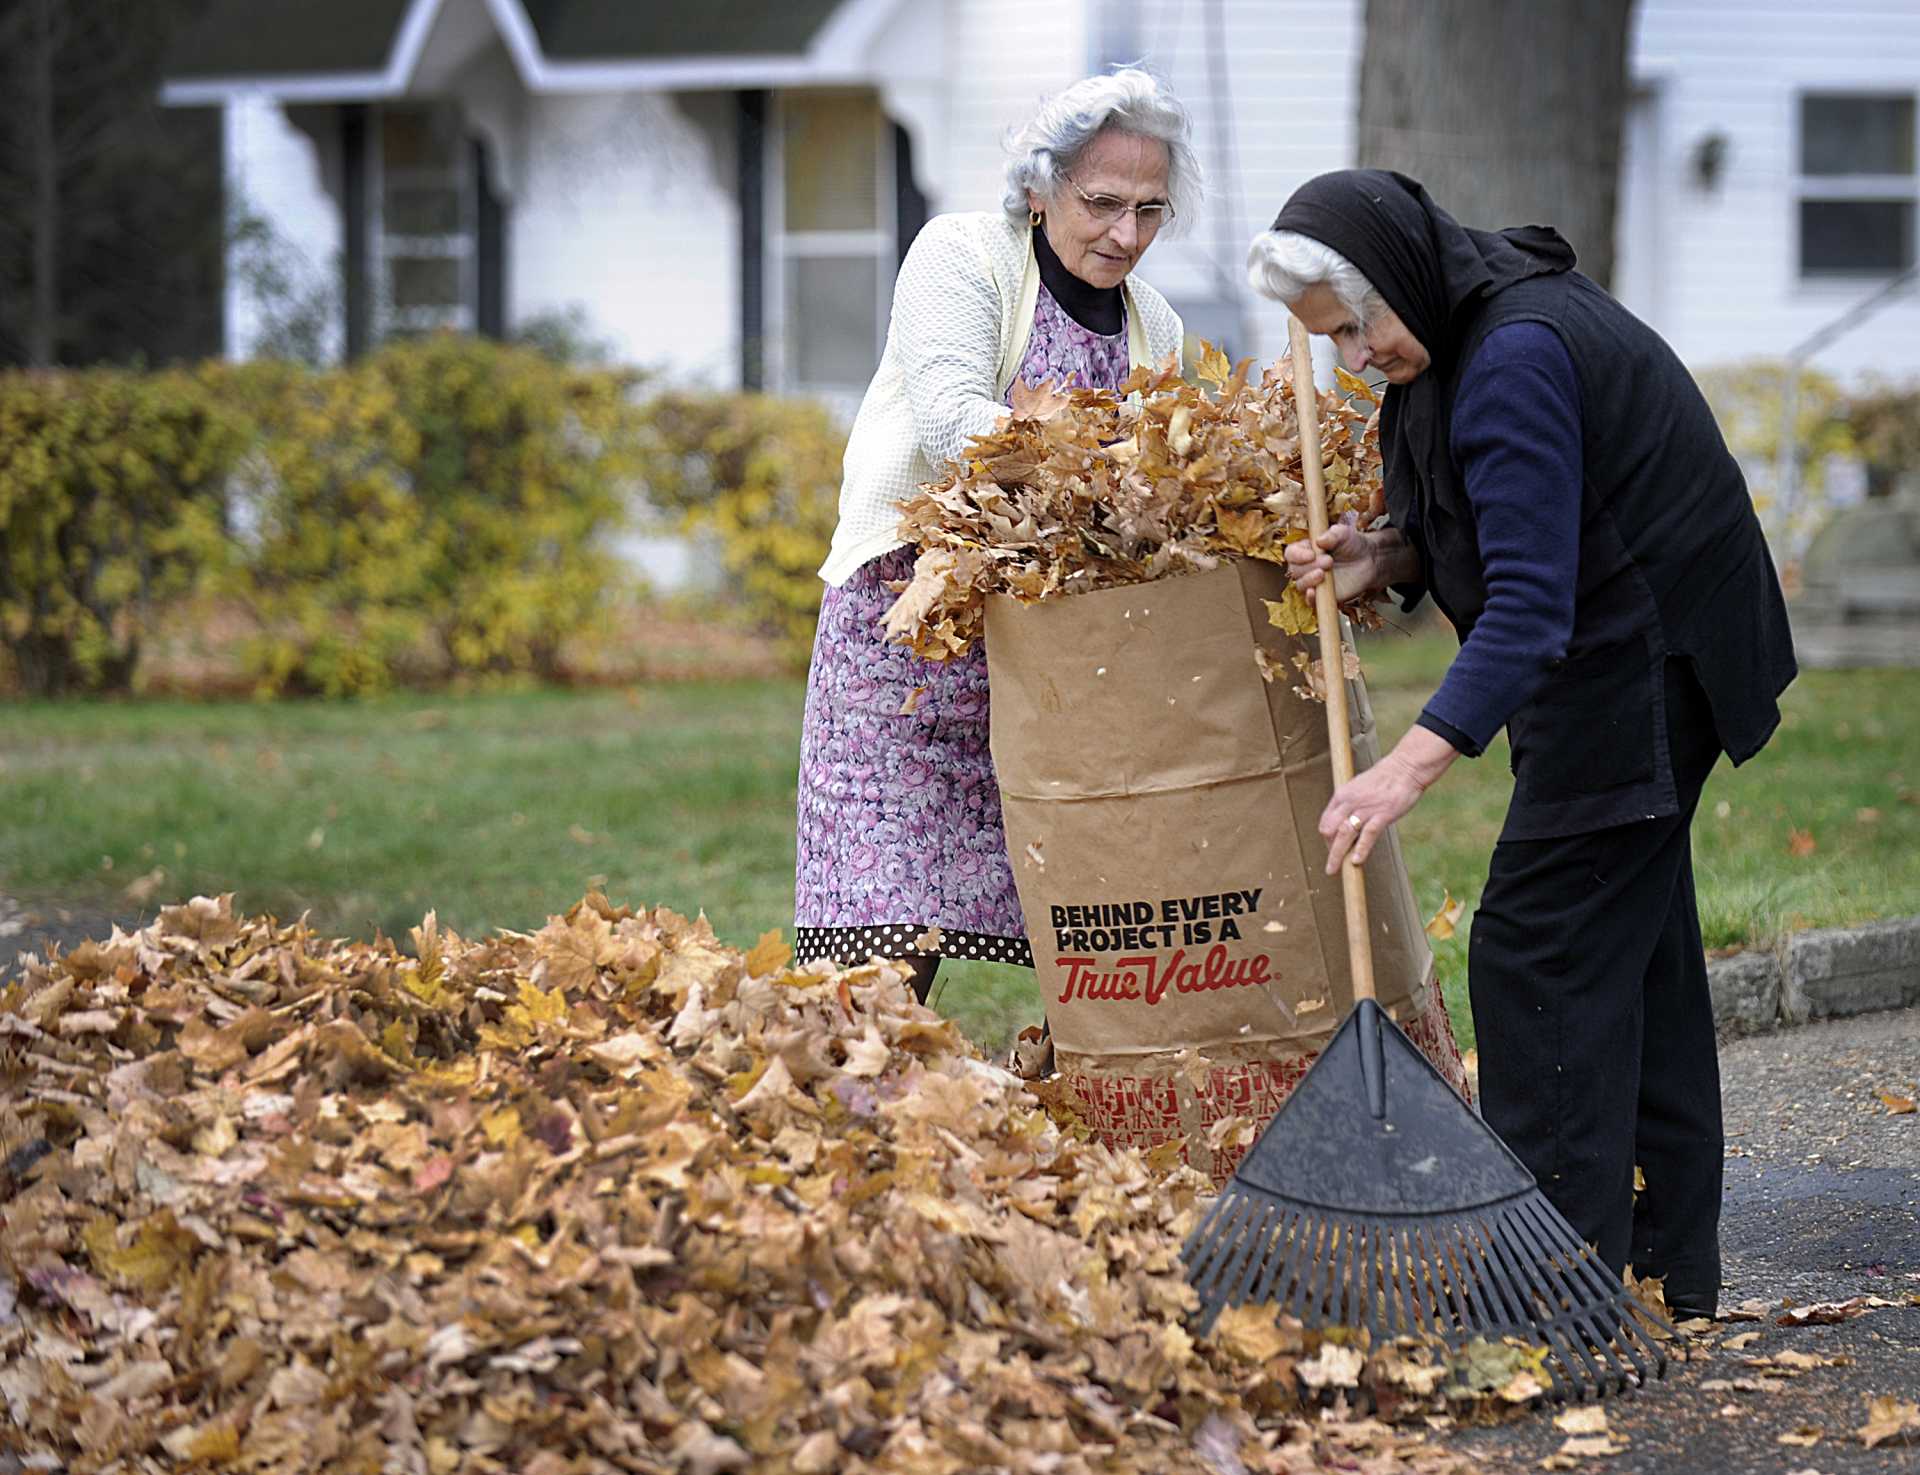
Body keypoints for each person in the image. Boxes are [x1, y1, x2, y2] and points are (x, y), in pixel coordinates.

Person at [1249, 169, 1796, 1319]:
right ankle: (1656, 1270)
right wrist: (1388, 556)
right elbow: (1508, 513)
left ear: (1398, 276)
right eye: (1328, 339)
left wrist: (1410, 761)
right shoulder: (1460, 323)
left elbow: (1534, 605)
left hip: (1644, 660)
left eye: (1356, 324)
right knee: (1630, 946)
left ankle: (1552, 1298)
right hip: (1624, 644)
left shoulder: (1511, 357)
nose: (1351, 357)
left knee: (1536, 949)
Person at [794, 70, 1196, 1000]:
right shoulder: (962, 257)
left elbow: (1157, 494)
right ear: (1039, 186)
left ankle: (1083, 1127)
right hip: (906, 641)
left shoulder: (1157, 330)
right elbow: (950, 424)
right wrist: (1103, 456)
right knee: (876, 941)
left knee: (1093, 931)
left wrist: (1040, 438)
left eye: (1149, 210)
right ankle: (848, 1127)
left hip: (1053, 670)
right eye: (1100, 204)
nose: (1124, 236)